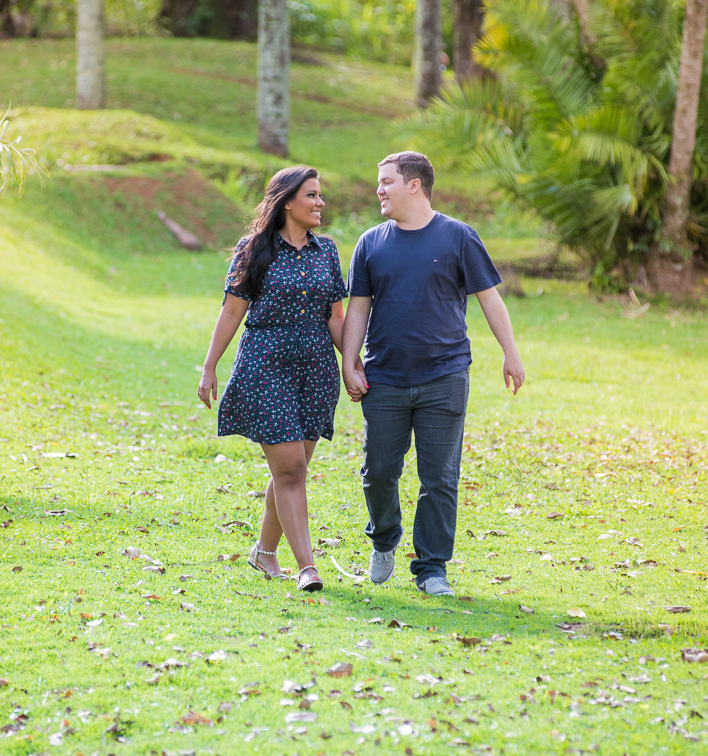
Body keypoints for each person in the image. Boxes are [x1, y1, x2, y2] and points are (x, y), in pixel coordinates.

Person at [341, 151, 525, 597]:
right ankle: (384, 540)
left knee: (440, 476)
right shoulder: (370, 242)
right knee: (378, 471)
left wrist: (510, 353)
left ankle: (431, 568)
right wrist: (349, 362)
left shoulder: (458, 237)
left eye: (386, 181)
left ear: (414, 185)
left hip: (445, 376)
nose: (378, 189)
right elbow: (358, 309)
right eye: (378, 182)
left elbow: (489, 298)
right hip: (384, 377)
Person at [197, 165, 362, 592]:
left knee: (294, 468)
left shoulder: (326, 251)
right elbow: (232, 310)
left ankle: (264, 553)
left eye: (321, 195)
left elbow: (335, 316)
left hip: (316, 371)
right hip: (266, 366)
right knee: (289, 469)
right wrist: (210, 365)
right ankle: (308, 566)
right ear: (287, 200)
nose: (320, 203)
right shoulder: (254, 248)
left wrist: (351, 363)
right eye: (312, 195)